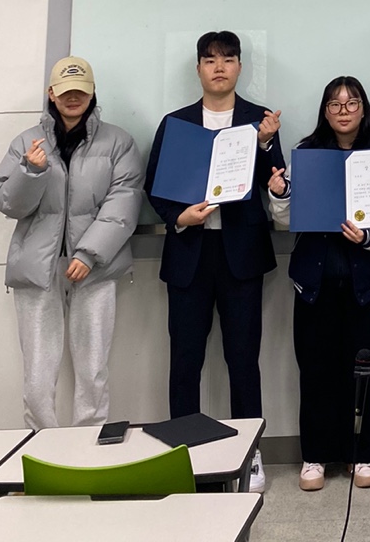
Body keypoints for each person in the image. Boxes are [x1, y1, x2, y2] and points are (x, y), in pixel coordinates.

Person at [145, 30, 284, 492]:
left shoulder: (258, 120)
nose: (219, 67)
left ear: (240, 66)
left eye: (227, 59)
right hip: (190, 253)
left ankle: (250, 456)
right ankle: (186, 456)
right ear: (199, 68)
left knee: (243, 359)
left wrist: (267, 145)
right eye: (210, 60)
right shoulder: (176, 123)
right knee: (185, 360)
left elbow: (275, 182)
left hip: (240, 255)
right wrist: (178, 218)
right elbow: (154, 185)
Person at [269, 76, 370, 493]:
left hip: (365, 284)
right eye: (335, 104)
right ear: (325, 112)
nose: (344, 111)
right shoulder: (308, 156)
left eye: (351, 103)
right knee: (316, 370)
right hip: (314, 284)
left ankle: (361, 454)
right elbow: (285, 219)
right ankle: (315, 455)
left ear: (363, 109)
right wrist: (280, 194)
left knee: (363, 371)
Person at [0, 56, 143, 429]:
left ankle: (88, 444)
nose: (74, 98)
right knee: (38, 369)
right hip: (37, 270)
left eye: (81, 91)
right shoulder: (26, 142)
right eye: (66, 91)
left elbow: (123, 204)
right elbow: (8, 204)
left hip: (95, 268)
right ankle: (41, 442)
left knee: (93, 366)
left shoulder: (119, 142)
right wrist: (30, 171)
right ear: (51, 93)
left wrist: (89, 255)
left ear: (92, 93)